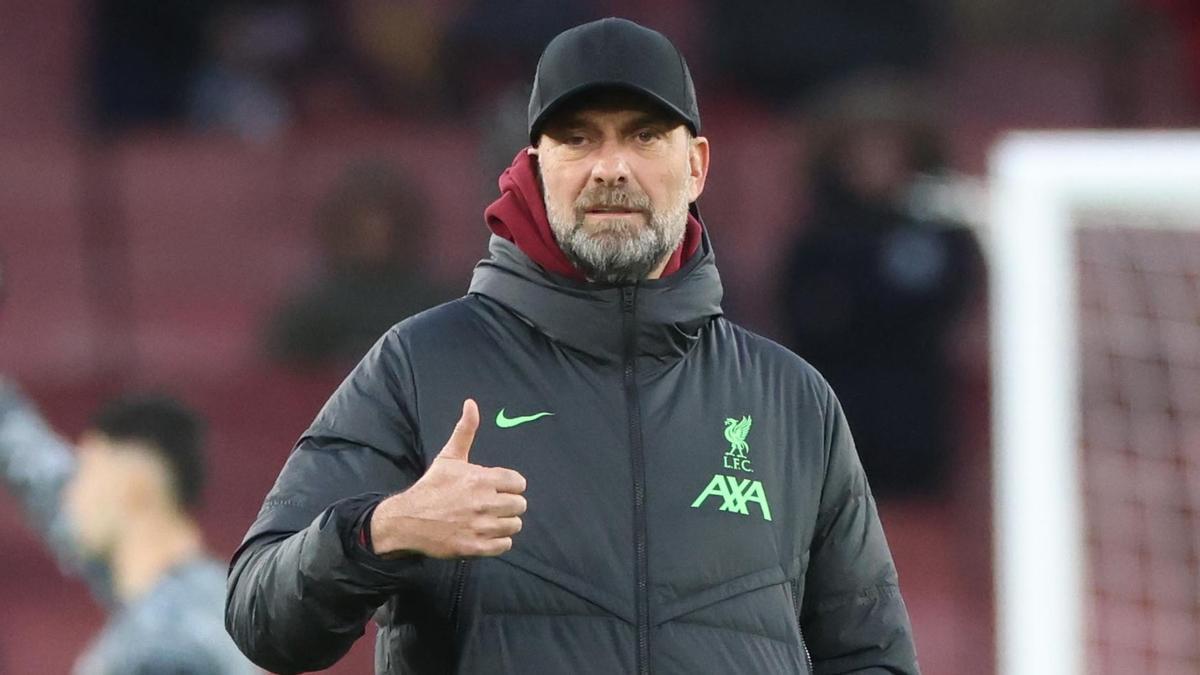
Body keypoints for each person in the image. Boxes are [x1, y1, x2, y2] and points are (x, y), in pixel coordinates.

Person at [226, 18, 919, 674]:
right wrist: (380, 530)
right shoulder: (420, 365)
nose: (611, 167)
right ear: (534, 166)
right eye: (579, 138)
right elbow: (259, 612)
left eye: (645, 136)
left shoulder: (792, 401)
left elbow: (871, 653)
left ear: (698, 164)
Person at [779, 71, 985, 499]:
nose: (875, 159)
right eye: (862, 147)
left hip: (923, 416)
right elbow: (803, 321)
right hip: (841, 412)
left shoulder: (945, 229)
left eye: (887, 145)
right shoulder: (818, 237)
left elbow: (959, 310)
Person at [0, 384, 259, 675]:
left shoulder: (167, 643)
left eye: (87, 474)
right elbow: (41, 478)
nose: (72, 496)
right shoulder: (199, 596)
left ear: (133, 486)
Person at [265, 159, 452, 371]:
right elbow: (281, 385)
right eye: (364, 220)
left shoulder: (438, 308)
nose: (374, 232)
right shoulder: (309, 314)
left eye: (382, 219)